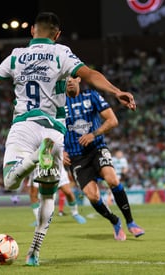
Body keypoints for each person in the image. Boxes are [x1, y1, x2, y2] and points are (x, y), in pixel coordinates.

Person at [0, 12, 136, 266]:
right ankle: (34, 252)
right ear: (57, 34)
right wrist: (116, 90)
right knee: (48, 196)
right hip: (54, 132)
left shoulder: (15, 56)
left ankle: (34, 158)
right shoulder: (62, 53)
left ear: (32, 30)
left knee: (11, 182)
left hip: (23, 125)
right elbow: (89, 74)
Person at [63, 76, 144, 241]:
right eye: (65, 78)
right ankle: (115, 221)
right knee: (92, 196)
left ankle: (131, 223)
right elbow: (49, 129)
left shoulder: (91, 96)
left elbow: (112, 120)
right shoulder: (57, 103)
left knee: (112, 179)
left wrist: (94, 134)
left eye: (72, 77)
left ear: (78, 79)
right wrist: (58, 151)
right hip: (75, 156)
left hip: (97, 148)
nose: (69, 81)